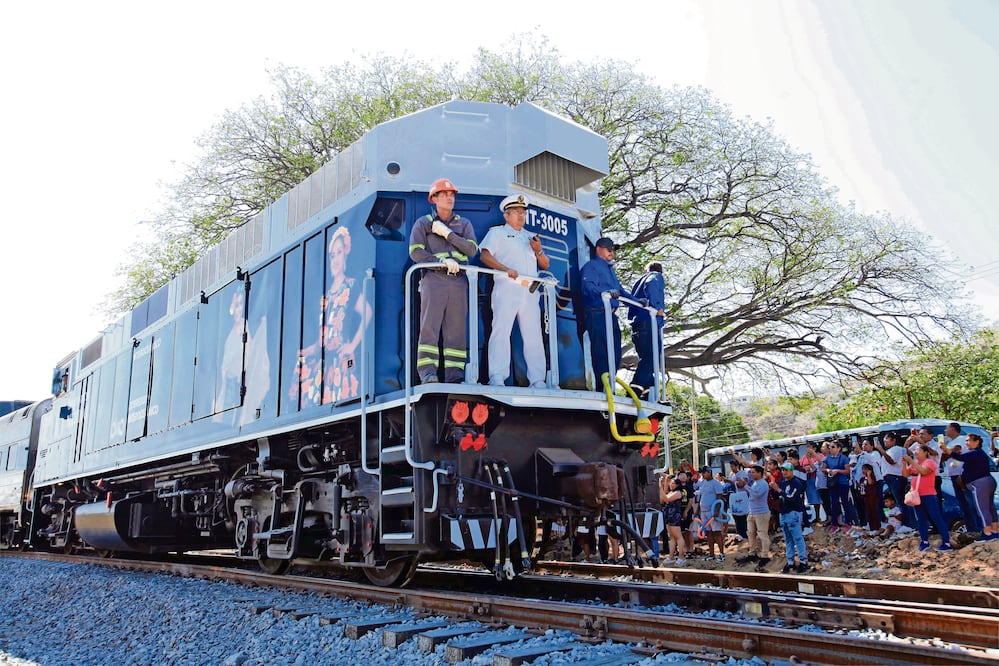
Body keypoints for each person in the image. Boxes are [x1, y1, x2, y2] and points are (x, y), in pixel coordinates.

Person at [409, 178, 479, 384]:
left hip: (458, 281)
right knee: (429, 327)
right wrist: (439, 262)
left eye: (452, 195)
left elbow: (472, 250)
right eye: (445, 195)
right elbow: (415, 252)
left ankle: (455, 376)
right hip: (434, 279)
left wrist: (448, 234)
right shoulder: (423, 223)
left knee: (457, 331)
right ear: (434, 199)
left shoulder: (464, 223)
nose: (450, 198)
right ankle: (428, 373)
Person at [478, 193, 550, 388]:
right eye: (516, 212)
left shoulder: (530, 237)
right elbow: (485, 256)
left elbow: (545, 265)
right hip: (507, 286)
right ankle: (497, 376)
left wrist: (538, 250)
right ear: (506, 215)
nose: (520, 216)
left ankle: (537, 379)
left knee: (533, 335)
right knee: (501, 332)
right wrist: (505, 269)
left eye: (523, 212)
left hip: (530, 291)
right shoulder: (498, 233)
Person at [292, 227, 370, 405]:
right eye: (332, 255)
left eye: (339, 253)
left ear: (346, 255)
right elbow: (324, 335)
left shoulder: (350, 286)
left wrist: (352, 345)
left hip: (340, 363)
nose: (335, 259)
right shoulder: (326, 294)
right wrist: (311, 349)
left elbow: (367, 312)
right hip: (324, 361)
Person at [580, 237, 624, 392]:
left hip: (610, 315)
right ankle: (602, 386)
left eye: (613, 250)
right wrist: (605, 292)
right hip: (596, 313)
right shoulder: (591, 266)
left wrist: (638, 301)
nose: (612, 252)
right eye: (609, 249)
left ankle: (610, 384)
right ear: (599, 249)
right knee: (600, 351)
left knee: (616, 352)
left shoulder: (610, 270)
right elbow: (588, 287)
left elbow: (621, 291)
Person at [941, 432, 999, 542]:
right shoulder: (978, 453)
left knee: (982, 509)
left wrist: (945, 449)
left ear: (977, 442)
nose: (966, 443)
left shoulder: (975, 453)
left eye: (969, 440)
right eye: (966, 441)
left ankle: (987, 533)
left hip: (980, 483)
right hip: (987, 481)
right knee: (990, 508)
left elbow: (960, 457)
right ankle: (995, 531)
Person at [902, 444, 953, 552]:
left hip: (929, 495)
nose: (916, 452)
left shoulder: (929, 462)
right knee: (920, 519)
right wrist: (904, 463)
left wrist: (911, 461)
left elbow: (924, 471)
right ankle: (924, 541)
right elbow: (906, 474)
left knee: (936, 517)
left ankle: (946, 542)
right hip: (917, 495)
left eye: (918, 450)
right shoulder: (915, 463)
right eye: (915, 450)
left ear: (925, 452)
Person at [627, 262, 666, 397]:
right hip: (648, 323)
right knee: (652, 356)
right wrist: (657, 307)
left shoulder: (638, 282)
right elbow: (651, 284)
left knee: (646, 359)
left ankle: (649, 391)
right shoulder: (655, 276)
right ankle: (635, 388)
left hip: (637, 324)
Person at [771, 462, 808, 573]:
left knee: (797, 538)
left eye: (786, 470)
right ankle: (790, 561)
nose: (784, 472)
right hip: (784, 513)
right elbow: (778, 497)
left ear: (792, 471)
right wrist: (773, 489)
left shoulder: (796, 482)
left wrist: (778, 490)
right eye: (783, 470)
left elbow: (791, 497)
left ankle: (803, 561)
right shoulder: (783, 483)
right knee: (788, 539)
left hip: (794, 512)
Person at [738, 465, 772, 571]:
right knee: (751, 533)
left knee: (762, 534)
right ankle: (752, 553)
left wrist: (746, 486)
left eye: (753, 472)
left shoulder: (763, 484)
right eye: (751, 472)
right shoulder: (755, 483)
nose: (751, 474)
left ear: (759, 473)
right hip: (752, 512)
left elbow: (757, 495)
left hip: (761, 512)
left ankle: (765, 555)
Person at [877, 432, 912, 527]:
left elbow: (892, 461)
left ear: (893, 440)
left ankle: (906, 524)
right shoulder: (890, 450)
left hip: (896, 477)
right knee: (895, 501)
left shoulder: (896, 449)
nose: (885, 442)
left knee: (900, 501)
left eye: (887, 440)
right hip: (890, 478)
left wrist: (882, 451)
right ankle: (897, 523)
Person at [695, 467, 727, 562]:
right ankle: (711, 554)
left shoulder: (716, 483)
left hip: (712, 511)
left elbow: (719, 497)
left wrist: (717, 510)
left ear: (709, 472)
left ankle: (721, 554)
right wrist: (697, 511)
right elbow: (701, 497)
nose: (703, 475)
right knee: (708, 533)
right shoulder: (703, 483)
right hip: (704, 511)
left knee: (717, 532)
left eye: (704, 473)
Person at [661, 476, 688, 564]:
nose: (671, 485)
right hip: (668, 515)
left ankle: (681, 556)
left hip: (674, 515)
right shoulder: (671, 492)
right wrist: (665, 481)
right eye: (671, 483)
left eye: (673, 483)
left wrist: (660, 488)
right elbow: (663, 498)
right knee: (672, 537)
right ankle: (671, 556)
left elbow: (667, 499)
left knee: (678, 536)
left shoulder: (678, 493)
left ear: (677, 485)